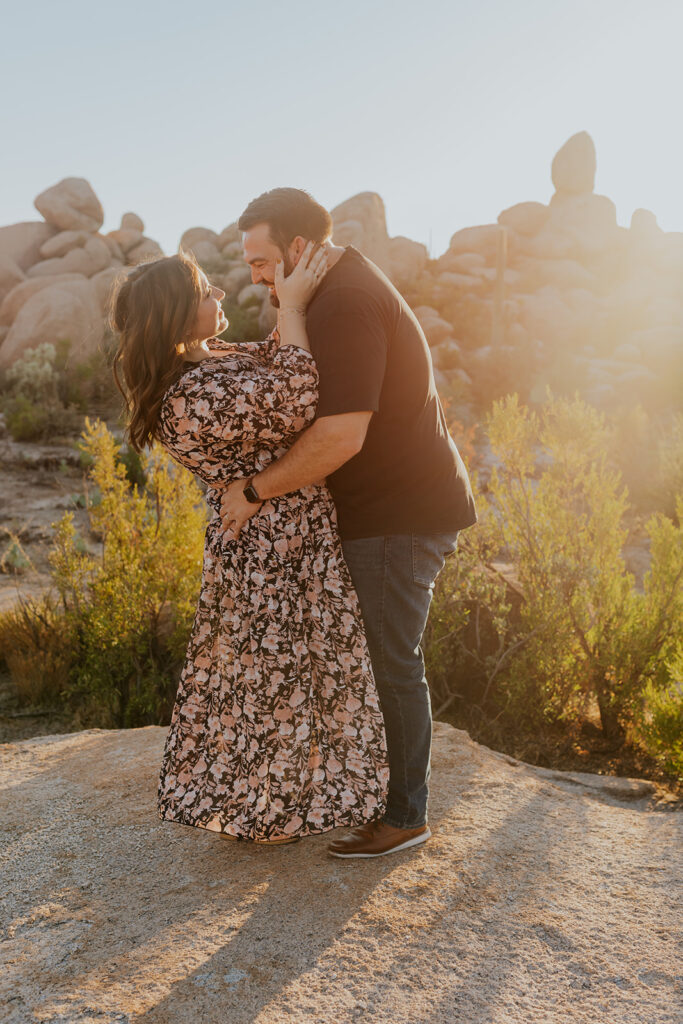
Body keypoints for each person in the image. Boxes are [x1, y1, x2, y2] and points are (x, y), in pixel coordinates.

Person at [218, 188, 477, 858]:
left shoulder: (348, 303)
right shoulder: (322, 298)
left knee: (390, 665)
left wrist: (252, 490)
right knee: (371, 662)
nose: (254, 274)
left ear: (299, 249)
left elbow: (338, 436)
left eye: (262, 260)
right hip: (383, 509)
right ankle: (368, 798)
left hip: (400, 513)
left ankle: (403, 818)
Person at [111, 247, 389, 845]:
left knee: (300, 673)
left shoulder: (215, 357)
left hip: (296, 536)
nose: (218, 296)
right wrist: (291, 305)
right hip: (265, 552)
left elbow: (277, 357)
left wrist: (292, 301)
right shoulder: (186, 395)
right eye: (204, 291)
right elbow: (297, 393)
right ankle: (265, 815)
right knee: (273, 680)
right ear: (175, 313)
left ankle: (290, 804)